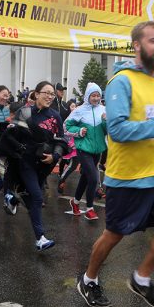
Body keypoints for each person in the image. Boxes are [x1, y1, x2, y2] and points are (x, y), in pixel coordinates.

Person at [77, 21, 154, 307]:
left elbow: (150, 120)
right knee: (114, 235)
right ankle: (89, 279)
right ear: (137, 46)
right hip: (128, 177)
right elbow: (118, 131)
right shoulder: (121, 81)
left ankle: (141, 278)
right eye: (153, 41)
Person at [0, 81, 65, 249]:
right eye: (46, 93)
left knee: (30, 196)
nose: (50, 96)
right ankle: (40, 238)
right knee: (37, 196)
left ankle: (12, 199)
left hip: (44, 165)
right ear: (36, 94)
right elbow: (10, 135)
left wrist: (55, 156)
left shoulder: (55, 116)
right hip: (24, 162)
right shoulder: (24, 112)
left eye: (52, 94)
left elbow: (61, 140)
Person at [64, 82, 107, 220]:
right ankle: (89, 208)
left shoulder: (103, 110)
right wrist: (79, 131)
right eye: (93, 95)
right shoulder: (79, 110)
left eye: (98, 95)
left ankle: (75, 202)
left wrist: (105, 121)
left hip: (97, 150)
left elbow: (108, 130)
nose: (96, 98)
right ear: (88, 96)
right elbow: (66, 126)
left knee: (85, 177)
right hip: (83, 149)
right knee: (94, 178)